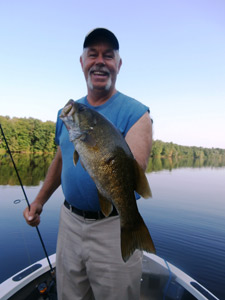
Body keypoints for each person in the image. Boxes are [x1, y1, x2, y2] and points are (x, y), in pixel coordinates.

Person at [23, 28, 153, 300]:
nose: (100, 61)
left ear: (118, 64)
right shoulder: (70, 116)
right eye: (92, 54)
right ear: (82, 62)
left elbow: (135, 168)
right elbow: (60, 162)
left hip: (114, 226)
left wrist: (101, 149)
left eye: (108, 55)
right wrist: (38, 202)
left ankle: (134, 231)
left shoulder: (136, 112)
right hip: (69, 222)